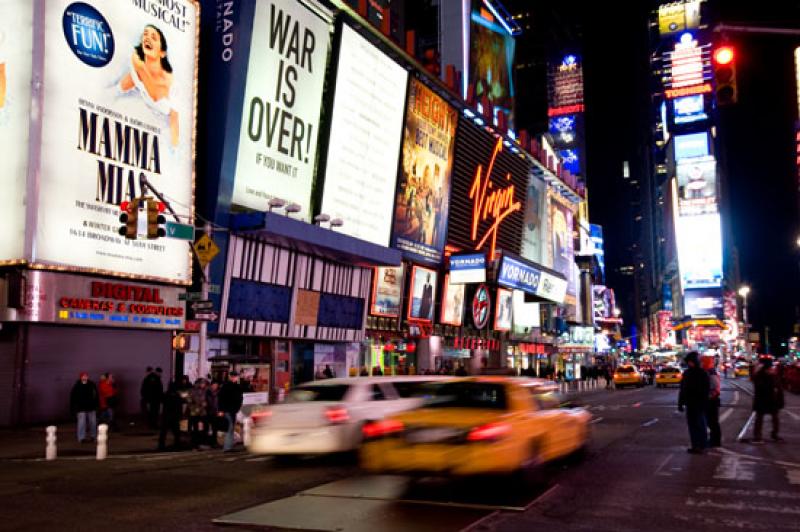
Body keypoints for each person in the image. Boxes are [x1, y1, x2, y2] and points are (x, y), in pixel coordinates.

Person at [119, 25, 180, 146]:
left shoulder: (171, 83)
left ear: (162, 53)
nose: (147, 38)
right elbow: (121, 87)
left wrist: (174, 148)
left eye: (154, 37)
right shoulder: (137, 64)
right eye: (145, 34)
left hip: (161, 133)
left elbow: (174, 121)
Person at [678, 351, 710, 454]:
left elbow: (706, 390)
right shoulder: (688, 373)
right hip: (691, 403)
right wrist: (680, 403)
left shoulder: (701, 373)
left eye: (690, 362)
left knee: (699, 424)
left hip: (698, 403)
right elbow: (683, 389)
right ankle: (696, 445)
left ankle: (702, 445)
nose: (689, 364)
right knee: (693, 425)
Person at [751, 357, 784, 443]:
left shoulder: (770, 375)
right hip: (766, 400)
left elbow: (779, 388)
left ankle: (767, 435)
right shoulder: (762, 375)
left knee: (770, 418)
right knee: (764, 418)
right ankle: (761, 435)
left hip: (769, 400)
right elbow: (777, 388)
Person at [218, 371, 244, 452]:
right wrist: (221, 410)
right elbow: (221, 398)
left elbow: (240, 398)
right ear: (230, 377)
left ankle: (228, 446)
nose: (234, 378)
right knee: (230, 428)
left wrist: (238, 407)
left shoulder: (237, 386)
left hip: (233, 410)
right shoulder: (226, 386)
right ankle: (227, 447)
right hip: (228, 410)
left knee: (231, 428)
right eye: (233, 376)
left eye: (235, 376)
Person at [70, 372, 99, 443]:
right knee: (81, 423)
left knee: (93, 423)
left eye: (86, 376)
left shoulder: (92, 385)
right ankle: (81, 438)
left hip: (91, 407)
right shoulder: (77, 386)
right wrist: (74, 407)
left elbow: (96, 396)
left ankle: (94, 436)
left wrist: (96, 405)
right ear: (81, 377)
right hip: (81, 408)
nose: (85, 377)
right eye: (83, 376)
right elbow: (73, 398)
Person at [158, 381, 183, 451]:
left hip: (167, 416)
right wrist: (180, 415)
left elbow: (162, 401)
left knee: (164, 432)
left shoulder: (166, 394)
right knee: (176, 432)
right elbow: (179, 406)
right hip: (174, 416)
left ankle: (161, 445)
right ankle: (177, 445)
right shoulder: (177, 395)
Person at [703, 356, 722, 448]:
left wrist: (709, 396)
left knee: (712, 422)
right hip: (711, 400)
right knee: (711, 422)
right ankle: (714, 440)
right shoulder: (709, 371)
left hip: (712, 401)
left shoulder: (710, 372)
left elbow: (715, 387)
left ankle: (715, 441)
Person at [186, 379, 209, 449]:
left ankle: (202, 442)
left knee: (205, 426)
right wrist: (196, 405)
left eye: (204, 384)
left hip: (202, 411)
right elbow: (189, 401)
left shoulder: (204, 390)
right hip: (195, 411)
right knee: (195, 427)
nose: (204, 385)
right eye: (202, 384)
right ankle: (195, 443)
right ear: (198, 384)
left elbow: (205, 399)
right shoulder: (192, 390)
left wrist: (205, 403)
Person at [206, 381, 222, 448]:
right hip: (209, 412)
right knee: (209, 428)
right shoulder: (208, 392)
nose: (215, 386)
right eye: (214, 385)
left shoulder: (218, 392)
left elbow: (219, 402)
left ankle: (214, 442)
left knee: (215, 428)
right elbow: (209, 403)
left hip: (216, 412)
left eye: (216, 385)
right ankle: (210, 442)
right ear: (211, 385)